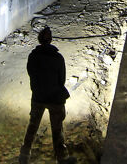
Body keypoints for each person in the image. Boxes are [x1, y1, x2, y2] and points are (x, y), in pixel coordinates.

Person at [19, 27, 76, 164]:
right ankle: (61, 158)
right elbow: (61, 80)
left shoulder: (33, 56)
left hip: (38, 97)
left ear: (39, 40)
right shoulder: (58, 58)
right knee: (57, 130)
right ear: (50, 40)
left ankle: (24, 156)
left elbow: (31, 73)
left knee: (32, 127)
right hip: (55, 98)